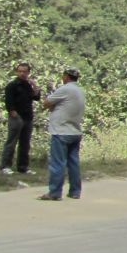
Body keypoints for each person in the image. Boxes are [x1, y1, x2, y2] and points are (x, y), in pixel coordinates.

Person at [40, 67, 86, 201]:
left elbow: (46, 103)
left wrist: (52, 107)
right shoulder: (80, 90)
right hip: (75, 130)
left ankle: (54, 192)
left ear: (66, 76)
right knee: (73, 162)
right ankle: (75, 191)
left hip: (61, 131)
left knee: (58, 163)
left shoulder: (65, 89)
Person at [0, 62, 41, 176]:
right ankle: (5, 166)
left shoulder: (28, 85)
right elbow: (9, 102)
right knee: (11, 142)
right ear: (17, 72)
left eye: (24, 71)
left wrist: (35, 86)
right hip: (16, 116)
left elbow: (36, 97)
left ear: (28, 73)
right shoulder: (12, 85)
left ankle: (23, 167)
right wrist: (13, 114)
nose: (22, 73)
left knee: (25, 143)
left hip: (28, 117)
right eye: (20, 71)